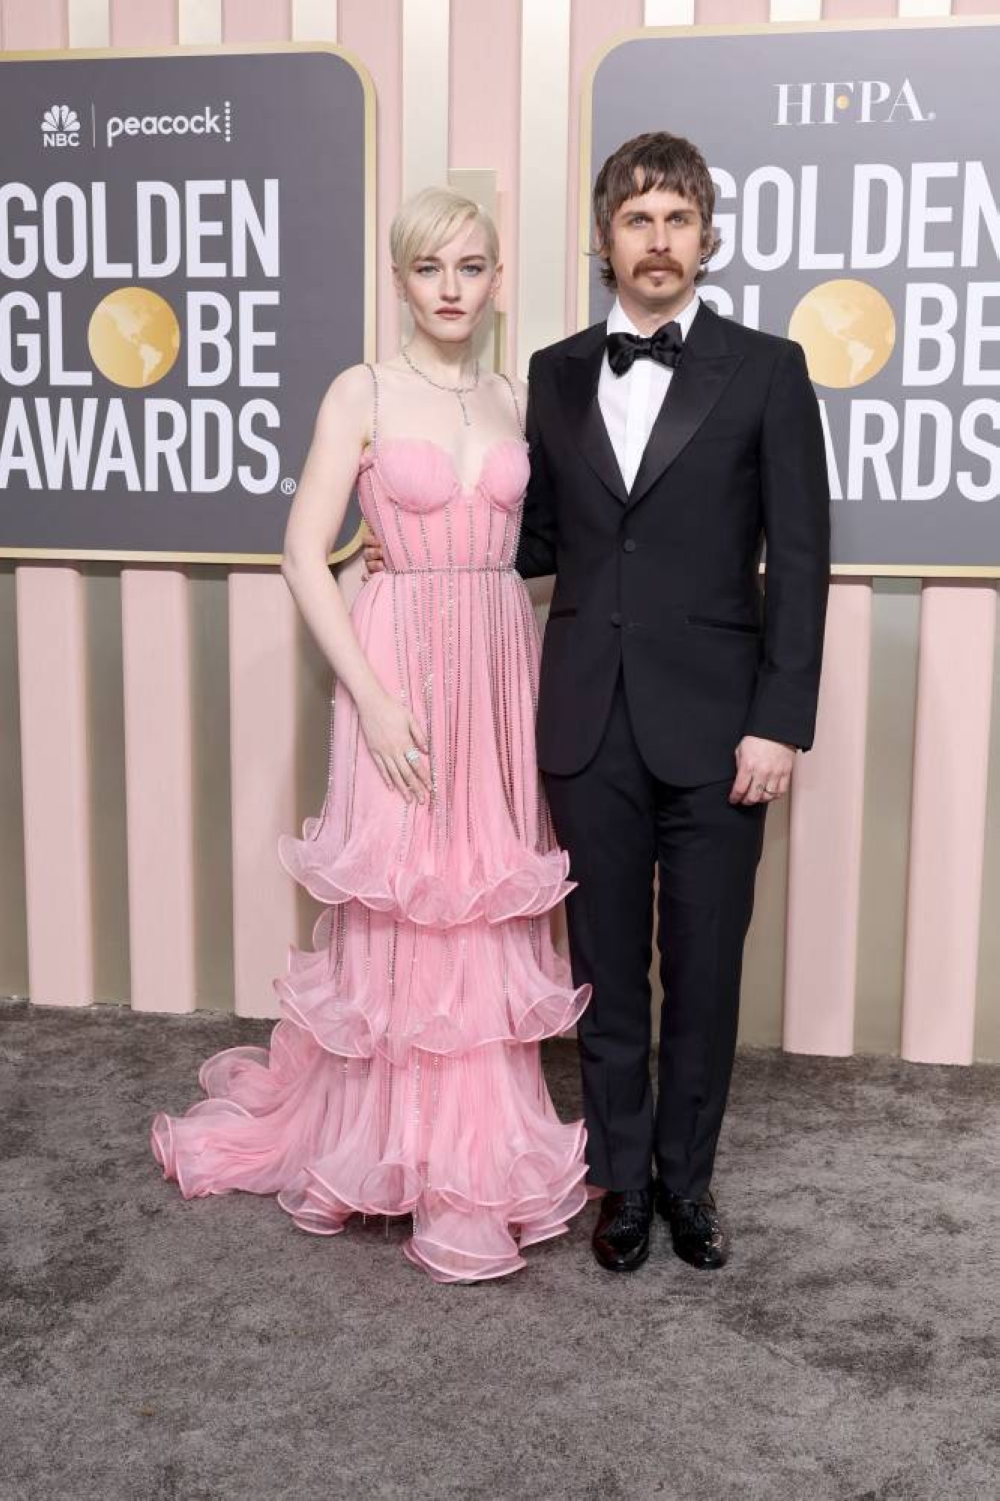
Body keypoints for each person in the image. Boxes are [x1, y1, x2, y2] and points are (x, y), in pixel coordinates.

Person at [368, 130, 831, 1276]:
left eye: (678, 219)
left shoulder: (768, 369)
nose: (658, 240)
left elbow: (804, 561)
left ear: (707, 238)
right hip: (581, 720)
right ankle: (621, 1180)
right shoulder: (556, 374)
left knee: (707, 965)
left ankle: (688, 1180)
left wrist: (779, 719)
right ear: (603, 238)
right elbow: (534, 537)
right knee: (605, 969)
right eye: (637, 219)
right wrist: (412, 561)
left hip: (724, 725)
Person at [150, 187, 591, 1284]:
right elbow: (304, 551)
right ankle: (388, 1148)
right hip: (391, 664)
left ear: (496, 280)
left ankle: (472, 1158)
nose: (452, 286)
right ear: (400, 278)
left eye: (472, 266)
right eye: (430, 266)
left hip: (494, 658)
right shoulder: (361, 389)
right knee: (405, 893)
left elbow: (526, 540)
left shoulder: (513, 396)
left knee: (478, 891)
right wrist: (376, 695)